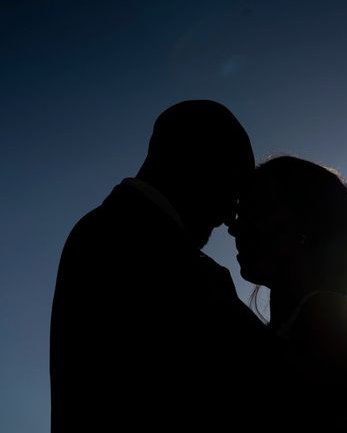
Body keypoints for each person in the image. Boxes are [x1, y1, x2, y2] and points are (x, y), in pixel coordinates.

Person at [50, 100, 271, 432]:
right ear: (195, 160)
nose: (229, 218)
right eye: (232, 188)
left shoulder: (110, 230)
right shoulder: (134, 243)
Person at [229, 155, 347, 433]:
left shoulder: (331, 316)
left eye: (254, 212)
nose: (234, 228)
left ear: (303, 225)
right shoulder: (319, 317)